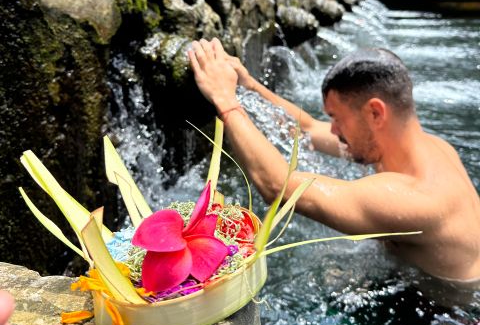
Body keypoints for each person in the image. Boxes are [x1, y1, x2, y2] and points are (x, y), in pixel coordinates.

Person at [188, 38, 480, 288]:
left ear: (375, 113)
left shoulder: (416, 198)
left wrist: (225, 101)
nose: (334, 131)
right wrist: (248, 85)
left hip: (448, 314)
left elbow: (278, 186)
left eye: (337, 119)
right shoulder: (428, 148)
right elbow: (309, 131)